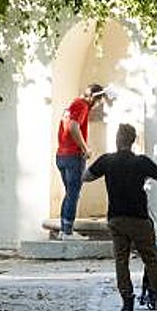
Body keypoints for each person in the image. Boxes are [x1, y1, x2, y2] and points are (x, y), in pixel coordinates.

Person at [83, 123, 157, 311]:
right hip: (139, 217)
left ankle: (127, 299)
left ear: (117, 139)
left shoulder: (107, 160)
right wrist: (145, 177)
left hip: (116, 217)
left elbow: (86, 177)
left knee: (121, 260)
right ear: (133, 141)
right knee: (151, 259)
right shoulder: (141, 162)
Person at [54, 83, 106, 240]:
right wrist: (85, 148)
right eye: (99, 101)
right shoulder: (82, 105)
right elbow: (73, 127)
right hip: (73, 156)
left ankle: (64, 229)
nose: (98, 105)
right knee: (73, 194)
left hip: (61, 155)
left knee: (70, 194)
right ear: (94, 98)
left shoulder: (73, 105)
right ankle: (67, 232)